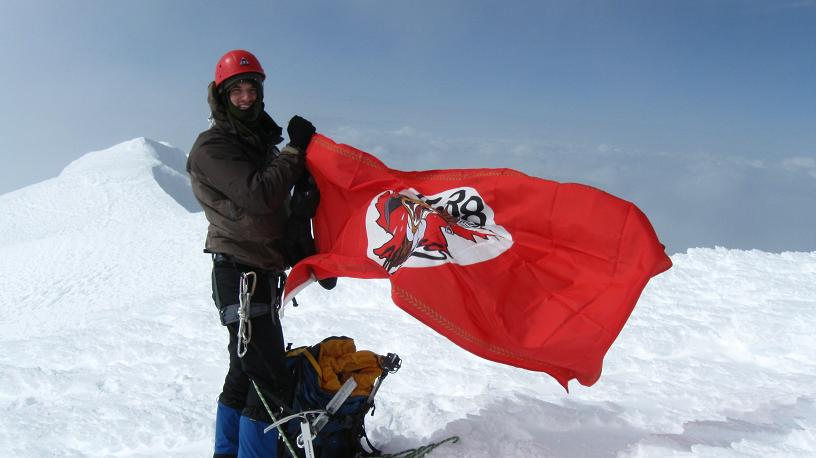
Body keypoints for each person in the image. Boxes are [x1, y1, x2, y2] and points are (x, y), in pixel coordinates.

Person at [186, 49, 316, 458]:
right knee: (269, 379)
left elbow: (275, 211)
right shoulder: (213, 147)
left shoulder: (258, 144)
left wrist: (306, 246)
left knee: (245, 375)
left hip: (257, 272)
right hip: (240, 275)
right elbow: (260, 196)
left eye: (251, 88)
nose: (245, 96)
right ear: (222, 96)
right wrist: (295, 152)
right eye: (236, 90)